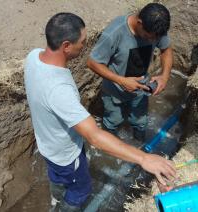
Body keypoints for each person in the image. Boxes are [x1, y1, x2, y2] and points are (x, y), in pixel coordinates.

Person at [24, 12, 176, 211]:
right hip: (66, 155)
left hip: (47, 145)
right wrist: (143, 158)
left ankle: (57, 197)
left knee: (59, 179)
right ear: (66, 46)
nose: (85, 46)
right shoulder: (59, 90)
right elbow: (94, 137)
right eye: (82, 42)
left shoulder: (33, 56)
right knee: (81, 191)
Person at [87, 3, 173, 141]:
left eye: (155, 38)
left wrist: (165, 76)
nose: (152, 41)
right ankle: (111, 152)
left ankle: (139, 146)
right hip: (114, 91)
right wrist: (121, 81)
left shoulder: (155, 30)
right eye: (148, 37)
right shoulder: (115, 32)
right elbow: (92, 62)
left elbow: (166, 49)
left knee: (140, 123)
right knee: (113, 122)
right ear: (139, 23)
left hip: (142, 88)